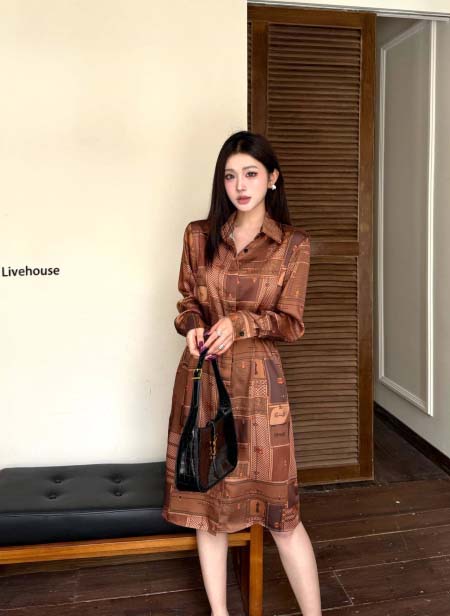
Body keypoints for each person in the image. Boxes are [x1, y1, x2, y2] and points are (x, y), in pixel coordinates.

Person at [162, 130, 321, 616]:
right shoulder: (198, 235)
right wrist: (192, 325)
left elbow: (291, 323)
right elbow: (187, 302)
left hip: (260, 390)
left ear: (272, 178)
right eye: (230, 176)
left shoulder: (293, 246)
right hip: (204, 383)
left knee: (282, 516)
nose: (240, 185)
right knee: (209, 510)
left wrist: (241, 323)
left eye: (251, 173)